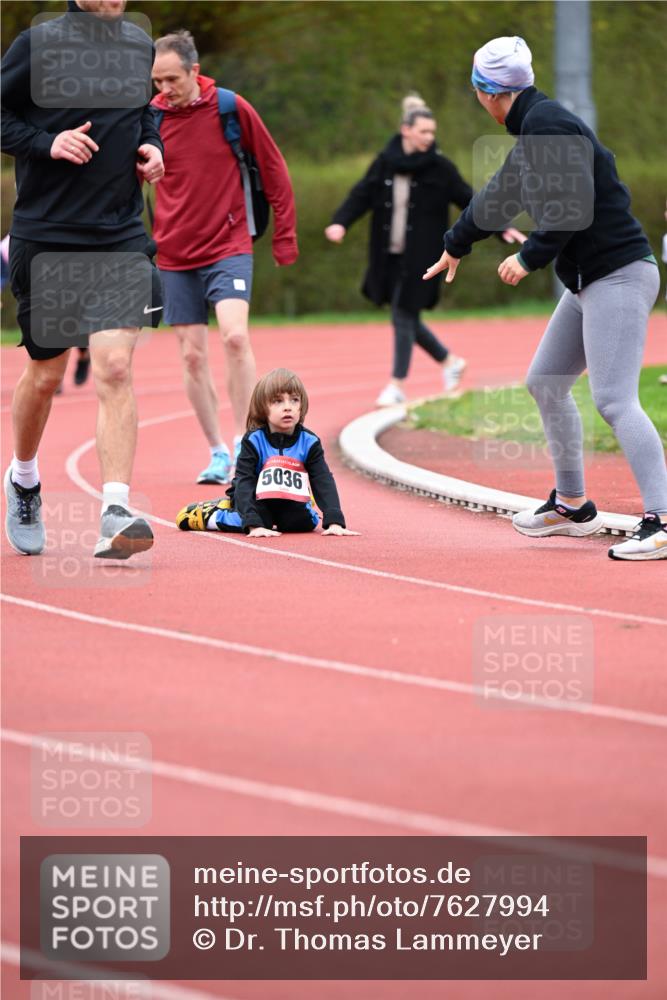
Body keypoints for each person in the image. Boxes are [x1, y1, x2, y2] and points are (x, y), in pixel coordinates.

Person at [425, 36, 667, 562]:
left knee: (614, 399)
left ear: (490, 92)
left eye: (476, 91)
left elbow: (573, 204)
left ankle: (663, 518)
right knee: (546, 382)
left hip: (618, 274)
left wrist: (529, 256)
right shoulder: (534, 129)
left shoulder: (548, 126)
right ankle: (572, 506)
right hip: (589, 280)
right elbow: (498, 196)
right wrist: (455, 244)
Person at [1, 0, 164, 559]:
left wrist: (153, 147)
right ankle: (24, 478)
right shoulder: (38, 45)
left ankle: (115, 511)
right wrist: (46, 143)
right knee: (46, 375)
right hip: (49, 235)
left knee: (114, 366)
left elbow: (145, 114)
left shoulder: (138, 44)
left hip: (120, 234)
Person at [150, 30, 298, 486]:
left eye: (172, 79)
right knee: (192, 356)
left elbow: (273, 167)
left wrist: (285, 236)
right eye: (156, 82)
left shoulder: (230, 107)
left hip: (228, 244)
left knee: (234, 337)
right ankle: (217, 450)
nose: (165, 90)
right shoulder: (148, 118)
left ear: (194, 71)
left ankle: (244, 443)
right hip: (173, 251)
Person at [325, 94, 523, 407]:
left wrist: (501, 225)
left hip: (424, 257)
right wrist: (341, 222)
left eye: (432, 132)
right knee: (404, 316)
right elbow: (361, 194)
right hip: (388, 255)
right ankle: (450, 362)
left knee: (403, 313)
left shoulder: (440, 168)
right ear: (406, 130)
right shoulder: (384, 163)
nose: (429, 137)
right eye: (423, 131)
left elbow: (470, 199)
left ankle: (397, 384)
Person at [176, 368, 358, 538]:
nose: (288, 407)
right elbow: (244, 480)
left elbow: (322, 478)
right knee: (260, 520)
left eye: (294, 400)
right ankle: (215, 514)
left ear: (301, 405)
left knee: (305, 522)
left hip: (288, 498)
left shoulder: (309, 441)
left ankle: (296, 506)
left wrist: (334, 521)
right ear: (263, 408)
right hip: (254, 498)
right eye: (278, 401)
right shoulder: (254, 440)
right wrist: (253, 523)